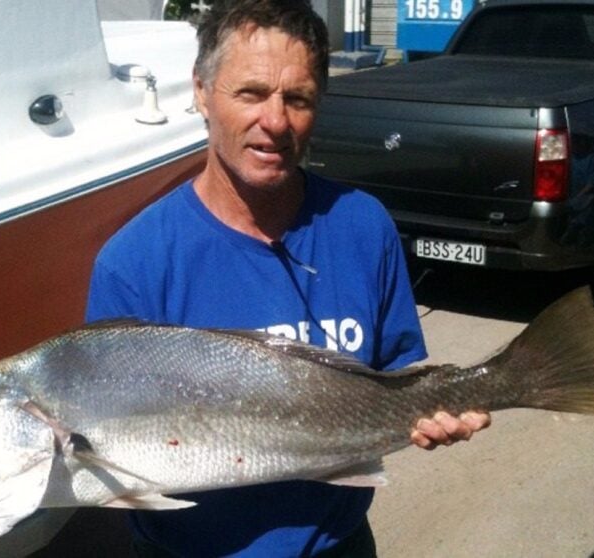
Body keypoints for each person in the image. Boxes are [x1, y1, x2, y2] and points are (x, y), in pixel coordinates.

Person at [85, 1, 490, 555]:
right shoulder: (133, 263)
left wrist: (441, 412)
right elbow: (107, 445)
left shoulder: (363, 225)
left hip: (340, 544)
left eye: (297, 99)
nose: (275, 121)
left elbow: (399, 374)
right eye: (250, 93)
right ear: (202, 92)